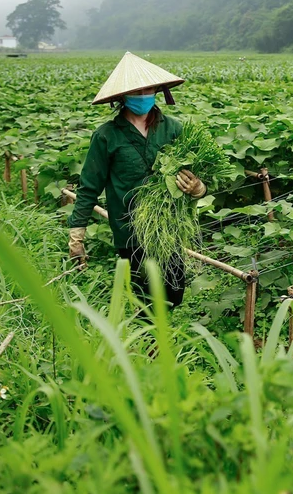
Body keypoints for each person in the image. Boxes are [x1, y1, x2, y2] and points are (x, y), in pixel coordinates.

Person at [68, 52, 205, 306]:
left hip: (170, 229)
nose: (143, 96)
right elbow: (89, 188)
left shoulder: (173, 128)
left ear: (157, 90)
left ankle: (165, 342)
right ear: (122, 96)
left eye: (148, 89)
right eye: (136, 91)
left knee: (172, 297)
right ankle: (146, 344)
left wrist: (198, 188)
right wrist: (77, 234)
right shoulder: (106, 136)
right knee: (142, 302)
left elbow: (201, 175)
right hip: (129, 232)